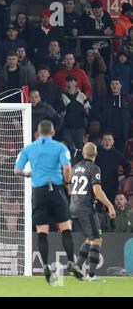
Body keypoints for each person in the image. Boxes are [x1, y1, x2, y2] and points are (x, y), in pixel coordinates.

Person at [14, 120, 83, 285]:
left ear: (38, 133)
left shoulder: (29, 148)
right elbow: (67, 168)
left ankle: (45, 265)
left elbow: (17, 170)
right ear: (52, 132)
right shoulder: (60, 147)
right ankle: (72, 262)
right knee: (66, 228)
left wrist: (29, 174)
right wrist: (67, 184)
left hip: (39, 192)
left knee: (42, 232)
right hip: (57, 190)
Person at [70, 142, 116, 282]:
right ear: (96, 154)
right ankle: (91, 274)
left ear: (83, 154)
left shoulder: (75, 168)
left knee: (90, 238)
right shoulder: (94, 168)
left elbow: (70, 188)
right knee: (97, 239)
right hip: (86, 208)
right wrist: (110, 206)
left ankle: (76, 268)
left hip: (74, 205)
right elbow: (97, 190)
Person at [95, 133, 131, 206]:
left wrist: (124, 175)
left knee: (111, 208)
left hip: (112, 185)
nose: (107, 142)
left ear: (113, 142)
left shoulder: (117, 154)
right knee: (97, 208)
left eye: (109, 139)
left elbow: (127, 165)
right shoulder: (96, 153)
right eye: (105, 140)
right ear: (102, 142)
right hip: (98, 185)